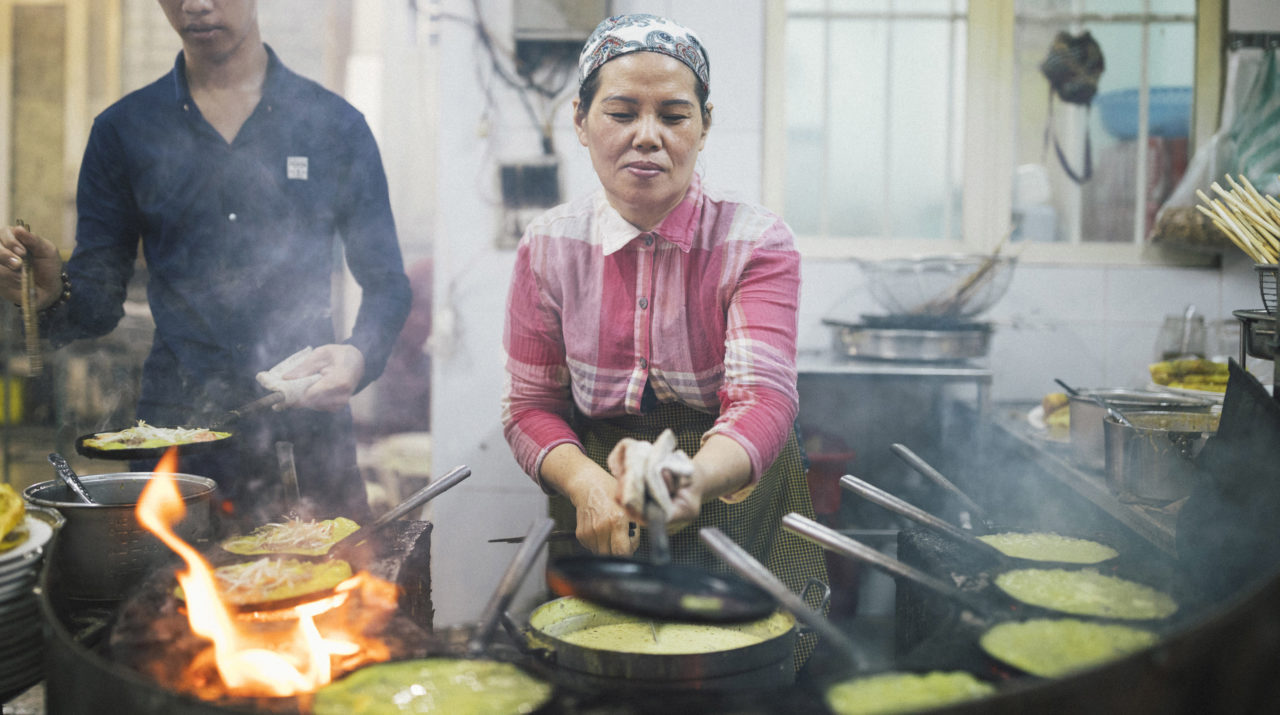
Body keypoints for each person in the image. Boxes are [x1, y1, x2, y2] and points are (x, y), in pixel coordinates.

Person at [0, 0, 410, 524]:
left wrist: (358, 356)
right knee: (164, 597)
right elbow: (99, 298)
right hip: (177, 425)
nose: (195, 4)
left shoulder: (333, 125)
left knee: (326, 586)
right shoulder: (126, 130)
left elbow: (386, 283)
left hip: (302, 422)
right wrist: (55, 290)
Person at [501, 13, 828, 665]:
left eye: (673, 116)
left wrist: (693, 478)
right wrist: (588, 484)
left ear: (703, 126)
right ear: (580, 120)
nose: (646, 137)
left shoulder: (755, 243)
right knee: (605, 678)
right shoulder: (547, 247)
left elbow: (764, 401)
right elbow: (529, 407)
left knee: (742, 677)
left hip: (730, 482)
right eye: (621, 111)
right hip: (599, 491)